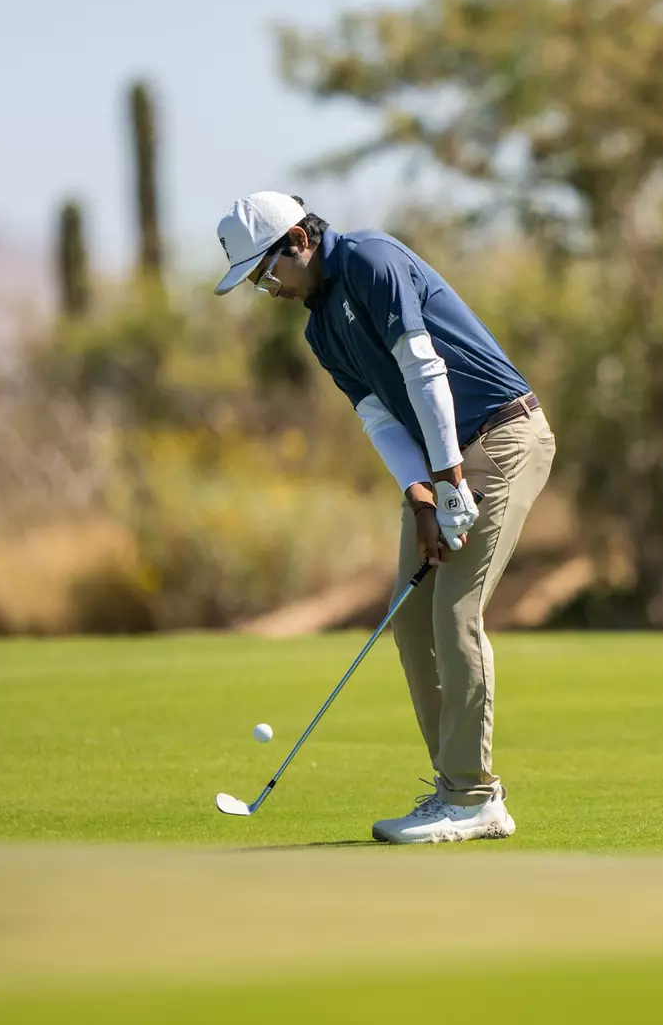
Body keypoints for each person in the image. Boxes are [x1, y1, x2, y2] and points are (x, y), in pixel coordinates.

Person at [213, 191, 555, 844]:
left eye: (264, 271)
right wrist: (423, 496)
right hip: (443, 463)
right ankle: (456, 788)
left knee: (456, 611)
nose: (267, 288)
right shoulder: (320, 330)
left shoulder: (371, 258)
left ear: (297, 241)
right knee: (411, 620)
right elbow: (378, 418)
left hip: (502, 437)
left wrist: (450, 481)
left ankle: (471, 797)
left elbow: (423, 369)